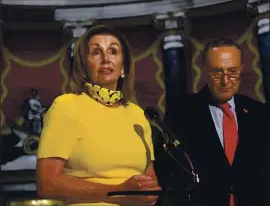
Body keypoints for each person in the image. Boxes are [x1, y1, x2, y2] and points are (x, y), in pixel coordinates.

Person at [36, 25, 161, 206]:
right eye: (96, 52)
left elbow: (150, 183)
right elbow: (47, 184)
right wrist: (116, 192)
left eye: (113, 51)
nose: (105, 59)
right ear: (84, 66)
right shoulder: (66, 106)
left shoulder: (138, 115)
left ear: (123, 67)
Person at [164, 39, 269, 206]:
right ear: (205, 70)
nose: (225, 81)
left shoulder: (260, 113)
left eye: (232, 71)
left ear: (242, 69)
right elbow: (170, 174)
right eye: (217, 72)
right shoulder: (181, 114)